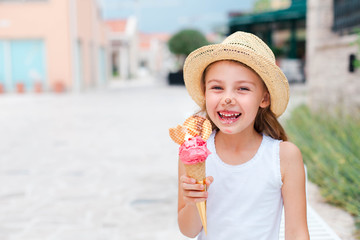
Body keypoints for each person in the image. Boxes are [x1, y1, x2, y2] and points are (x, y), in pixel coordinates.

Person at [177, 31, 310, 239]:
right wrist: (194, 201)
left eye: (243, 88)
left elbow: (297, 232)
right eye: (217, 87)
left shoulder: (284, 157)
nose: (228, 98)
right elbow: (188, 230)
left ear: (264, 98)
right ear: (205, 93)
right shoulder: (194, 151)